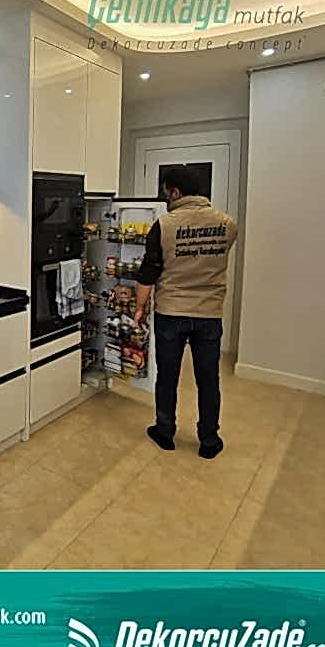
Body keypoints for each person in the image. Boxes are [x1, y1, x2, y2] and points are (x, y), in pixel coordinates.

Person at [134, 165, 238, 458]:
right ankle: (209, 440)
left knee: (167, 376)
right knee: (208, 379)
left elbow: (149, 272)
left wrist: (139, 307)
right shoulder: (227, 224)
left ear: (176, 192)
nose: (165, 198)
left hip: (171, 311)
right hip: (209, 313)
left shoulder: (164, 225)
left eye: (166, 193)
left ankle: (165, 432)